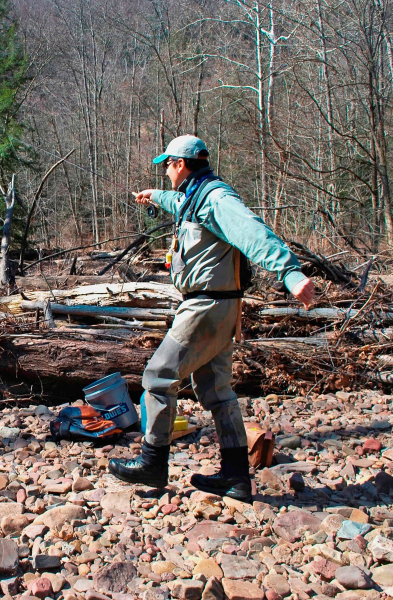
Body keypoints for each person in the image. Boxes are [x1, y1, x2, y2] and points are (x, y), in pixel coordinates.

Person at [108, 135, 315, 502]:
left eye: (167, 165)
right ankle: (236, 476)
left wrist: (291, 274)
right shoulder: (196, 196)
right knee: (218, 391)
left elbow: (253, 233)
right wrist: (154, 195)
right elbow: (178, 202)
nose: (166, 171)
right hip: (219, 306)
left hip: (205, 307)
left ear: (181, 165)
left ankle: (153, 462)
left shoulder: (217, 199)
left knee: (158, 376)